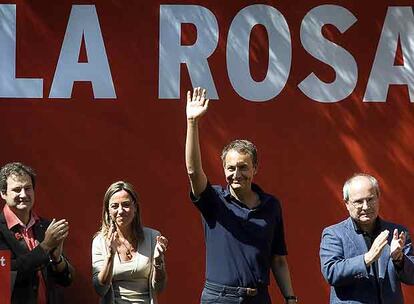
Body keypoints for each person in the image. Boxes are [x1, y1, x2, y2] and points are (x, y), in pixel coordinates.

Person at [185, 87, 297, 304]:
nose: (237, 174)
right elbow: (193, 171)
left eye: (243, 167)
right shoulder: (213, 201)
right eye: (231, 168)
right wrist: (192, 123)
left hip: (258, 298)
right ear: (224, 169)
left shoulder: (271, 205)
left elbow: (279, 260)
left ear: (255, 168)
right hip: (219, 298)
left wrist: (290, 298)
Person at [320, 173, 414, 304]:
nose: (366, 206)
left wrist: (399, 259)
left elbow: (411, 276)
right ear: (347, 203)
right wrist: (367, 258)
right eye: (358, 201)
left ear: (378, 197)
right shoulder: (334, 234)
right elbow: (331, 272)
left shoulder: (397, 233)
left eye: (370, 199)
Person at [0, 162, 75, 304]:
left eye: (28, 188)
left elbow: (66, 280)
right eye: (17, 190)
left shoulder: (45, 226)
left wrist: (58, 259)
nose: (23, 194)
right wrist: (45, 246)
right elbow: (5, 276)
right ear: (3, 193)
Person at [92, 181, 168, 304]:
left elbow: (159, 288)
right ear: (108, 211)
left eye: (126, 204)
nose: (121, 211)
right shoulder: (100, 241)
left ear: (135, 208)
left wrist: (159, 262)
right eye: (115, 206)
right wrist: (110, 255)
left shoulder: (153, 237)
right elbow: (100, 289)